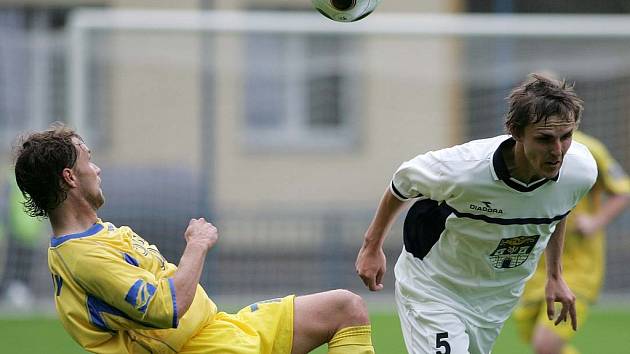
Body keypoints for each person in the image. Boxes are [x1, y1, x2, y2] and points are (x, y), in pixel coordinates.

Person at [13, 124, 375, 354]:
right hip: (200, 348)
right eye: (88, 160)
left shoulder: (96, 235)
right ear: (70, 177)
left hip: (222, 329)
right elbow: (165, 309)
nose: (97, 168)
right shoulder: (84, 256)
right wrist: (197, 245)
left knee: (345, 308)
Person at [355, 73, 598, 354]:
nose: (557, 151)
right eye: (544, 139)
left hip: (496, 297)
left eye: (566, 137)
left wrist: (555, 276)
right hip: (434, 286)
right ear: (516, 132)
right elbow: (402, 182)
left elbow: (557, 211)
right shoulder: (464, 169)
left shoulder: (580, 171)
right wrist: (371, 246)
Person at [513, 130, 630, 354]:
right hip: (534, 268)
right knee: (532, 337)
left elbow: (622, 190)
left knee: (545, 345)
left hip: (578, 268)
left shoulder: (589, 150)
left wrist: (595, 221)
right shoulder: (522, 147)